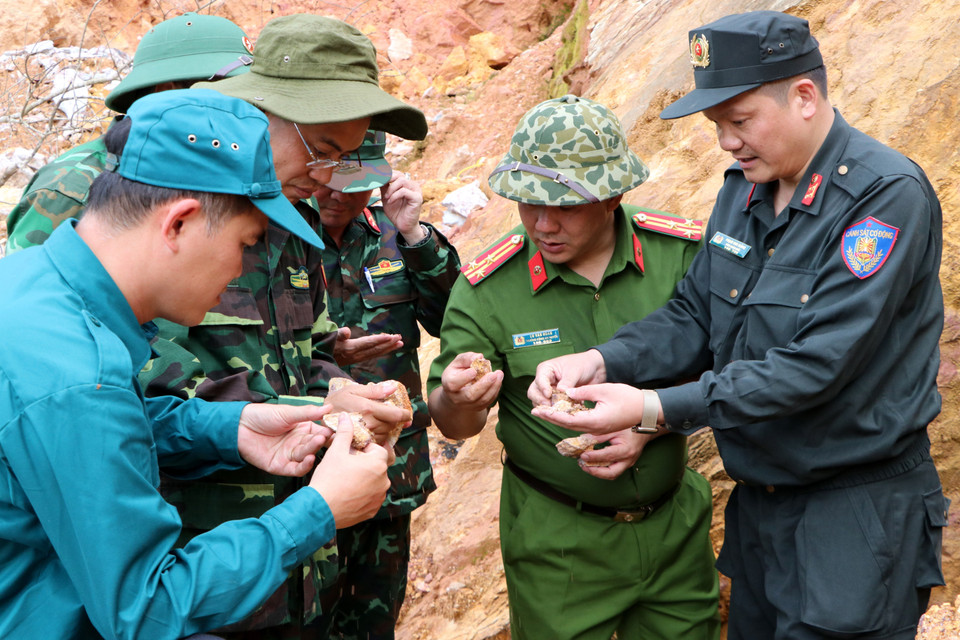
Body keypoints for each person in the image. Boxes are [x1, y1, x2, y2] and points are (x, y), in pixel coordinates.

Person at [529, 11, 948, 640]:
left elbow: (815, 366)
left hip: (854, 516)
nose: (727, 142)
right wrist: (604, 361)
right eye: (717, 126)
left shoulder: (881, 199)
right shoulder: (746, 188)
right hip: (763, 510)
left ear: (804, 97)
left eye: (740, 121)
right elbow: (696, 312)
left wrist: (649, 408)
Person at [0, 88, 391, 640]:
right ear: (178, 223)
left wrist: (229, 429)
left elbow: (76, 439)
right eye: (245, 242)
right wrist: (319, 509)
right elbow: (147, 609)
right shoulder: (78, 375)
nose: (238, 272)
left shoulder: (36, 287)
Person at [137, 15, 429, 639]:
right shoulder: (164, 216)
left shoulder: (292, 226)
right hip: (203, 564)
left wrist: (336, 393)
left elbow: (307, 348)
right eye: (323, 152)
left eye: (348, 161)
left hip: (301, 554)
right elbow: (141, 405)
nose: (330, 180)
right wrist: (304, 411)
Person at [427, 95, 719, 640]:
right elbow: (453, 425)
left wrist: (652, 429)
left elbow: (734, 373)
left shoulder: (682, 253)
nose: (542, 223)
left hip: (675, 528)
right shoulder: (488, 287)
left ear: (612, 196)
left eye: (564, 205)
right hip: (558, 541)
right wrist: (457, 398)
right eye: (526, 203)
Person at [313, 130, 460, 637]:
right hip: (305, 464)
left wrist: (415, 235)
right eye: (329, 180)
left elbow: (451, 320)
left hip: (387, 466)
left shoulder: (395, 238)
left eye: (355, 184)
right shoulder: (275, 234)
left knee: (375, 621)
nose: (338, 196)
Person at [4, 12, 254, 253]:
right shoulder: (70, 189)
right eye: (230, 92)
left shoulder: (218, 170)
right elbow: (25, 290)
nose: (247, 107)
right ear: (167, 91)